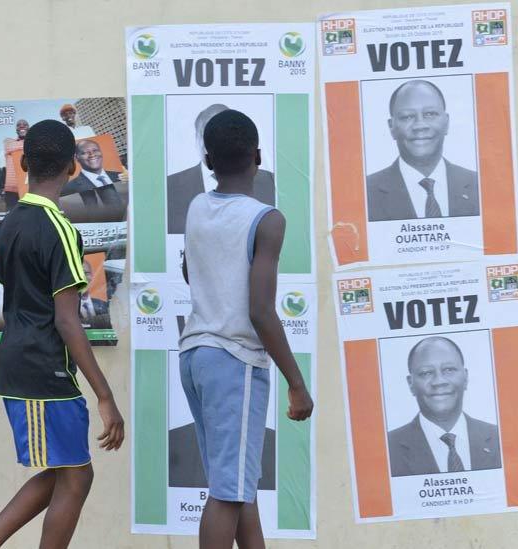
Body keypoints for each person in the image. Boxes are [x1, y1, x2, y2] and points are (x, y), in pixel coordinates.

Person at [0, 120, 124, 549]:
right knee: (76, 475)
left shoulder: (12, 221)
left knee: (67, 473)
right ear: (73, 167)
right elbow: (67, 320)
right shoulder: (61, 228)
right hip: (41, 367)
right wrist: (104, 396)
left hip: (27, 363)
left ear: (26, 163)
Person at [179, 109, 313, 549]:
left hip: (195, 355)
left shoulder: (198, 206)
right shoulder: (266, 219)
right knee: (227, 493)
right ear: (259, 155)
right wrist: (297, 383)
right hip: (234, 361)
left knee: (237, 481)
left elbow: (190, 273)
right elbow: (260, 311)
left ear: (207, 159)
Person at [168, 316, 275, 490]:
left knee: (239, 486)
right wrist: (296, 383)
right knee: (231, 490)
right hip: (233, 352)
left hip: (193, 350)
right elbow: (262, 312)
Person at [366, 79, 480, 222]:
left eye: (430, 114)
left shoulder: (480, 185)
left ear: (446, 123)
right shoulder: (365, 193)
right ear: (392, 127)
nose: (420, 125)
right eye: (407, 116)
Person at [387, 336, 501, 477]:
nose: (439, 381)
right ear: (411, 383)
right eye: (426, 373)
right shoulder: (387, 448)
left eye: (449, 370)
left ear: (465, 377)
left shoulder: (500, 439)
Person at [166, 104, 275, 234]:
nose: (221, 145)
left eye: (228, 137)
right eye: (210, 137)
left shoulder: (271, 184)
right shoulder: (171, 186)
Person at [61, 140, 126, 222]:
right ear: (76, 158)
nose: (92, 155)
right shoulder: (68, 188)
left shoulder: (121, 176)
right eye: (84, 153)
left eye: (95, 150)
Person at [78, 260, 110, 329]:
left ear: (92, 276)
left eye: (86, 273)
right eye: (78, 274)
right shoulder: (65, 309)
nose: (82, 278)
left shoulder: (104, 305)